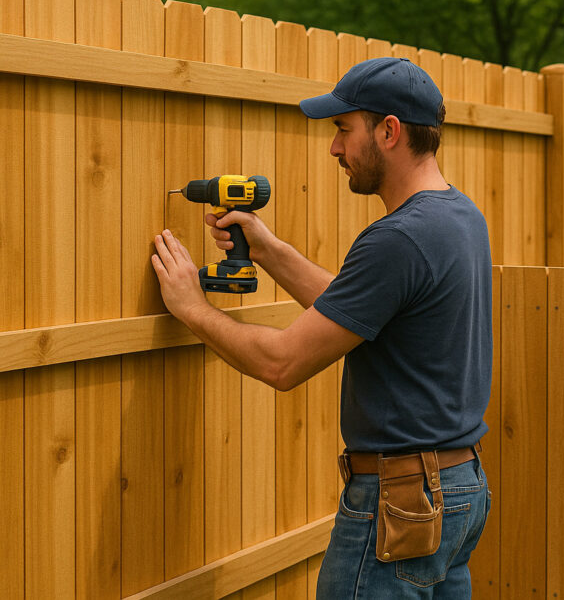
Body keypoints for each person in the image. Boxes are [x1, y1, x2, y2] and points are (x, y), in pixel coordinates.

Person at [152, 57, 492, 597]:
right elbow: (363, 313)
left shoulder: (398, 239)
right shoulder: (460, 217)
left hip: (399, 502)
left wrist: (192, 307)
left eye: (342, 129)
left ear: (389, 130)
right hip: (458, 489)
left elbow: (281, 362)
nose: (334, 148)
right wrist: (268, 250)